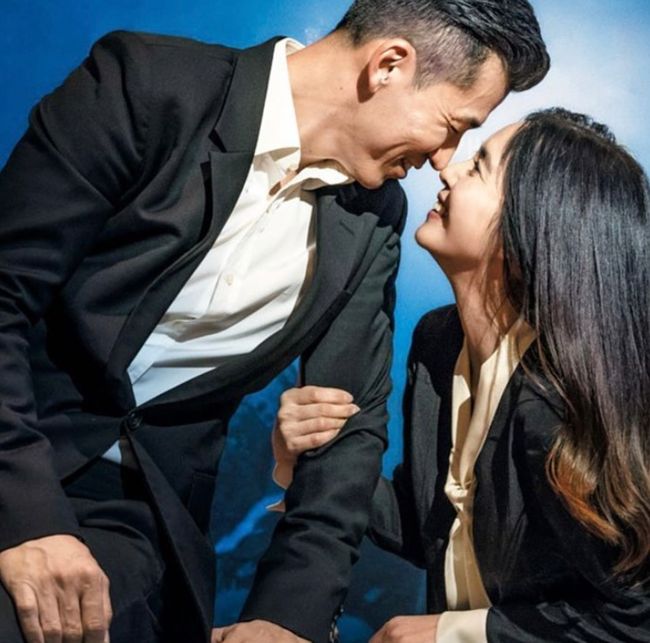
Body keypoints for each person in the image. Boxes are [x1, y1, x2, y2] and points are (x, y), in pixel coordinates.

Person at [0, 1, 549, 642]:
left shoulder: (374, 215)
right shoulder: (144, 84)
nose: (443, 159)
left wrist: (286, 618)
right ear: (388, 65)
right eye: (452, 127)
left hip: (134, 520)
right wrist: (28, 518)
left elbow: (351, 428)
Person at [273, 108, 650, 642]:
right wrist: (305, 461)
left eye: (478, 168)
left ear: (531, 226)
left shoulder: (564, 400)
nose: (447, 171)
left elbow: (635, 615)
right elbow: (430, 529)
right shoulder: (437, 342)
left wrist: (458, 633)